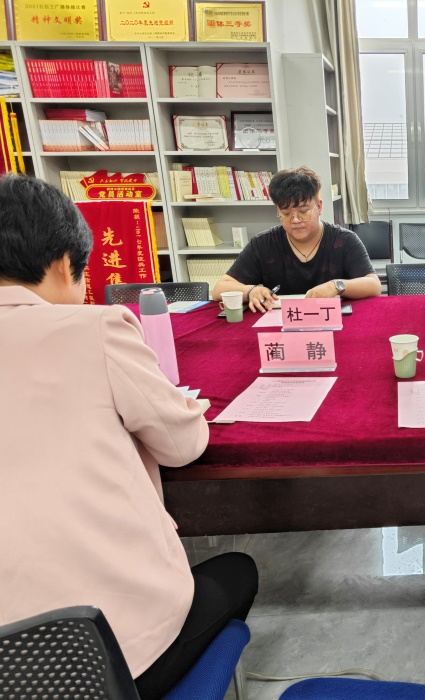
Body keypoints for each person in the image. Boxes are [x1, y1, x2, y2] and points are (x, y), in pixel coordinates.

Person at [0, 175, 258, 700]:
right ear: (62, 264)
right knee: (238, 571)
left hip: (9, 671)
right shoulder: (93, 328)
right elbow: (183, 445)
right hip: (108, 663)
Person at [212, 166, 381, 312]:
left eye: (303, 211)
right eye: (286, 214)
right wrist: (250, 291)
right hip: (282, 323)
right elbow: (220, 289)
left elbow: (373, 285)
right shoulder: (263, 244)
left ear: (319, 206)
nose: (295, 220)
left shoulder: (344, 240)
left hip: (333, 320)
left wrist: (336, 286)